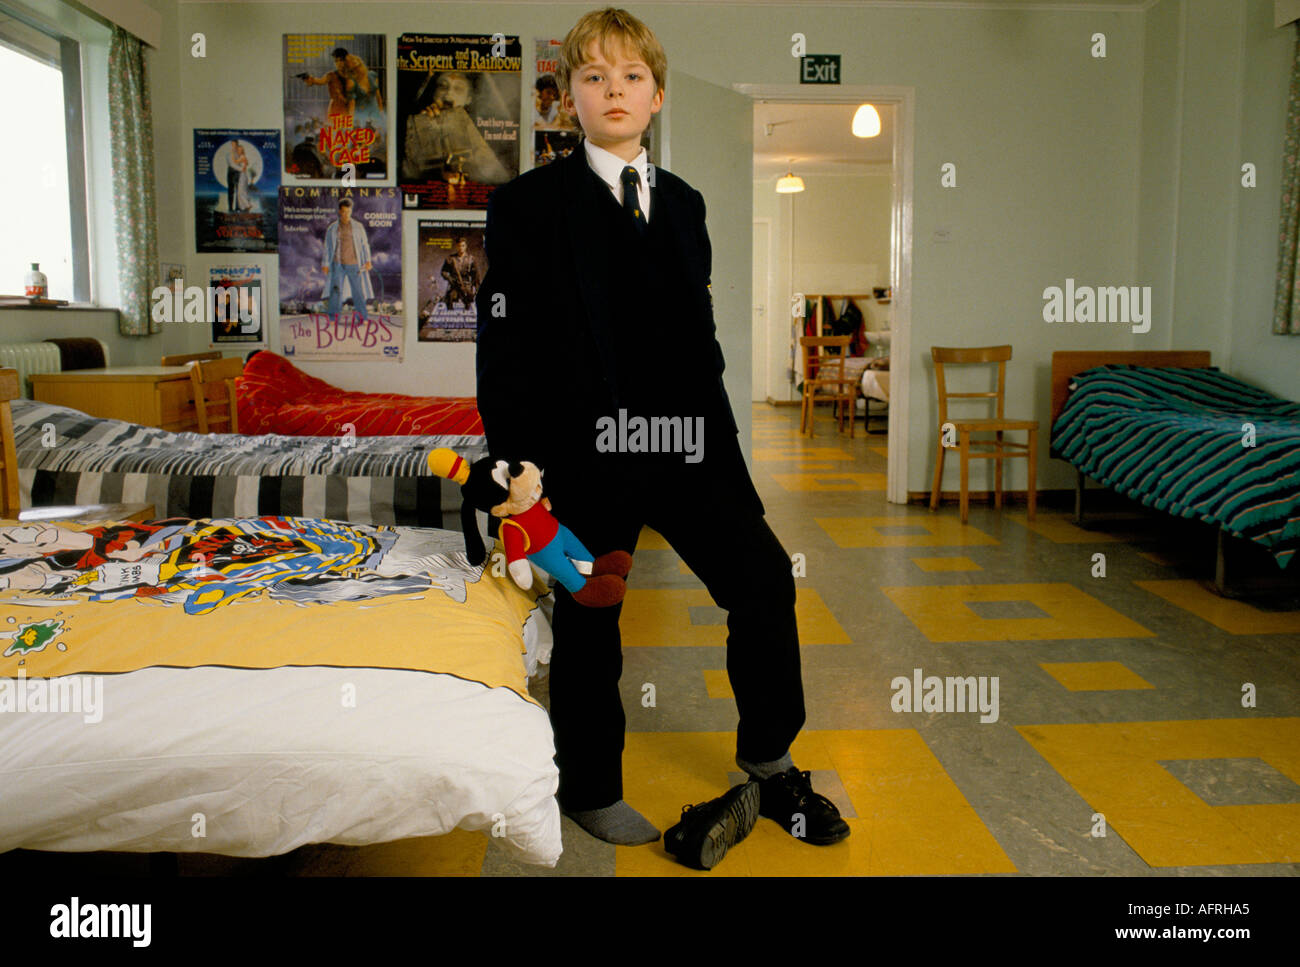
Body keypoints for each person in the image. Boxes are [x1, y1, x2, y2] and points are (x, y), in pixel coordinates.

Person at [476, 7, 849, 853]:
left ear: (657, 95)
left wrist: (728, 464)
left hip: (687, 448)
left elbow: (701, 345)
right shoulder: (527, 206)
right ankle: (591, 787)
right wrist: (517, 475)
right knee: (592, 617)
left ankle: (768, 755)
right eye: (595, 76)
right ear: (568, 95)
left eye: (631, 77)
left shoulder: (685, 205)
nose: (614, 91)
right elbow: (505, 352)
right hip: (583, 457)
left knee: (762, 582)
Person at [320, 198, 372, 322]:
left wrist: (368, 260)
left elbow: (365, 244)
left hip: (354, 264)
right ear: (339, 211)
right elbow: (327, 247)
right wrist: (325, 264)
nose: (346, 214)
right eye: (344, 211)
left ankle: (362, 317)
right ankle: (333, 318)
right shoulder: (332, 228)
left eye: (348, 211)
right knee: (336, 292)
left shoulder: (358, 227)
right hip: (337, 264)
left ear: (351, 211)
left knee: (358, 292)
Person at [440, 237, 479, 309]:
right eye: (459, 246)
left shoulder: (471, 259)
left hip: (466, 285)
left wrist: (476, 288)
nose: (461, 248)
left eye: (463, 245)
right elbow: (443, 271)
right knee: (449, 299)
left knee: (469, 303)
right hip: (454, 285)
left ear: (466, 246)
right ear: (457, 246)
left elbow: (475, 276)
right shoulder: (451, 258)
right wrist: (450, 279)